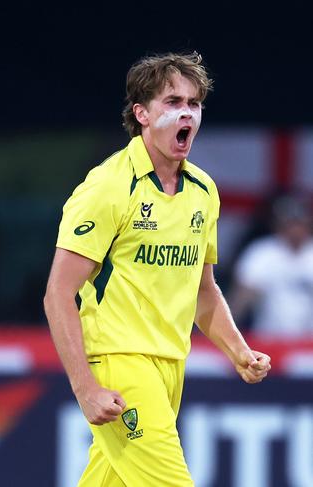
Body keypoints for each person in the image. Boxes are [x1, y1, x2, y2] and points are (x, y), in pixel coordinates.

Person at [43, 52, 271, 486]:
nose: (186, 112)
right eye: (172, 102)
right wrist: (85, 386)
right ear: (141, 114)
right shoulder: (108, 187)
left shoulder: (203, 190)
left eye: (194, 103)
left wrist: (238, 351)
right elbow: (58, 293)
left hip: (171, 364)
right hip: (119, 363)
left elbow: (203, 290)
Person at [230, 191, 313, 337]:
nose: (295, 228)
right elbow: (242, 296)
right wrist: (226, 331)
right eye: (290, 223)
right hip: (269, 340)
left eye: (299, 222)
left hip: (308, 345)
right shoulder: (263, 252)